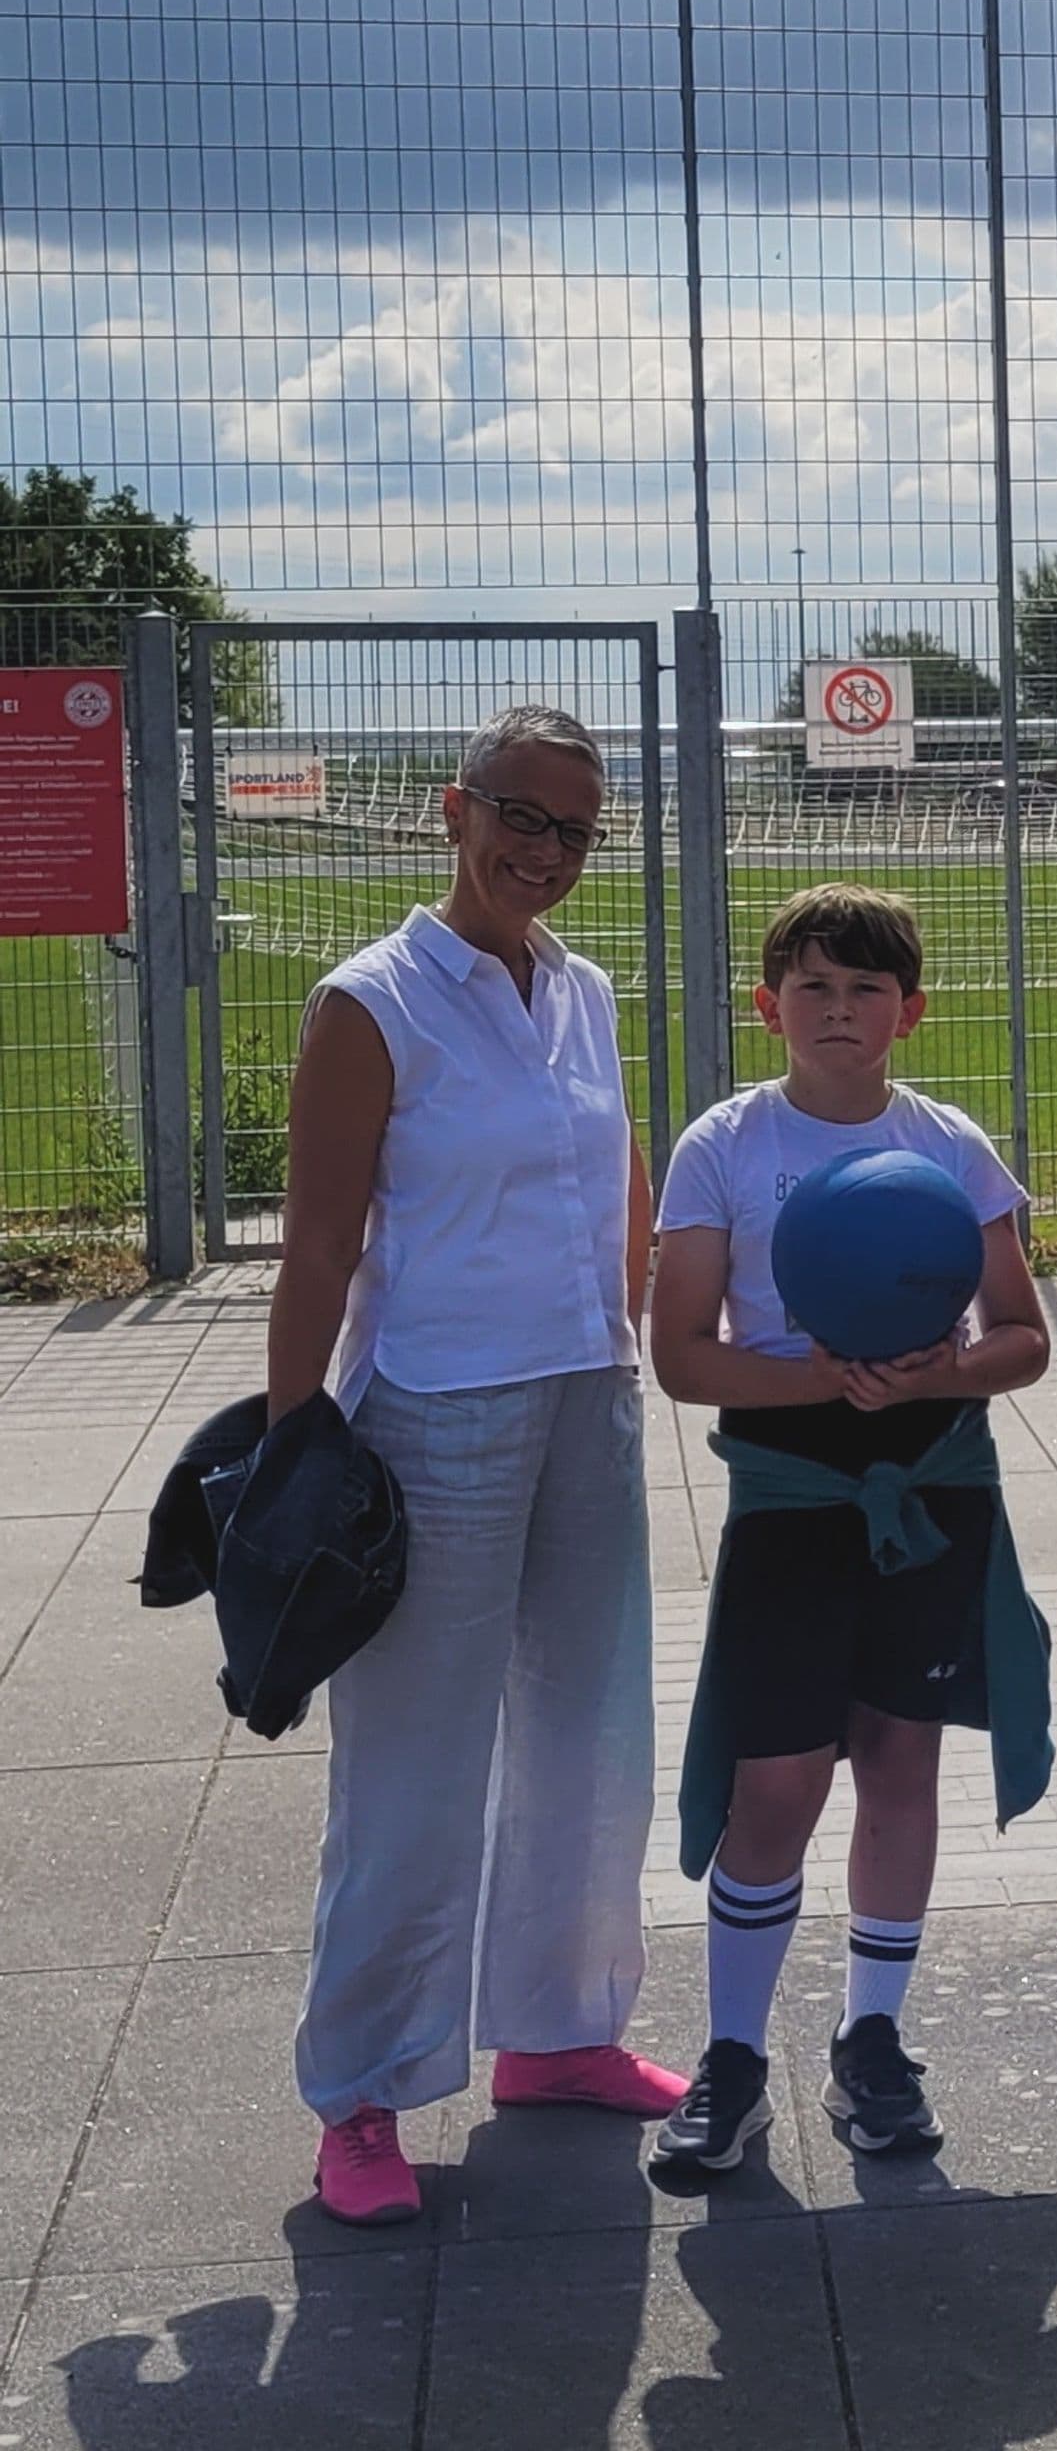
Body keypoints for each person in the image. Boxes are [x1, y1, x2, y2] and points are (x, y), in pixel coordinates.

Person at [268, 705, 685, 2227]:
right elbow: (318, 1245)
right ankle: (363, 2090)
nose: (545, 852)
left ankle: (559, 2031)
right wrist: (287, 1435)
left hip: (587, 1392)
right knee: (415, 1767)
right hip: (434, 1412)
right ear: (456, 810)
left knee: (589, 1741)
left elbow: (621, 1172)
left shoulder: (578, 989)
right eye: (521, 815)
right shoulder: (371, 1003)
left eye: (576, 829)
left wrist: (633, 1329)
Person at [643, 883, 1052, 2191]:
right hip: (794, 1486)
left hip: (929, 1478)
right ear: (769, 1006)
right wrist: (823, 1383)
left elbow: (1025, 1338)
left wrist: (934, 1373)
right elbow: (684, 1357)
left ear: (909, 1014)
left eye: (866, 988)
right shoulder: (725, 1146)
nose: (838, 1008)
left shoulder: (949, 1147)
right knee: (779, 1783)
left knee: (899, 1762)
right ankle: (732, 2059)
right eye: (812, 986)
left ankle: (872, 2038)